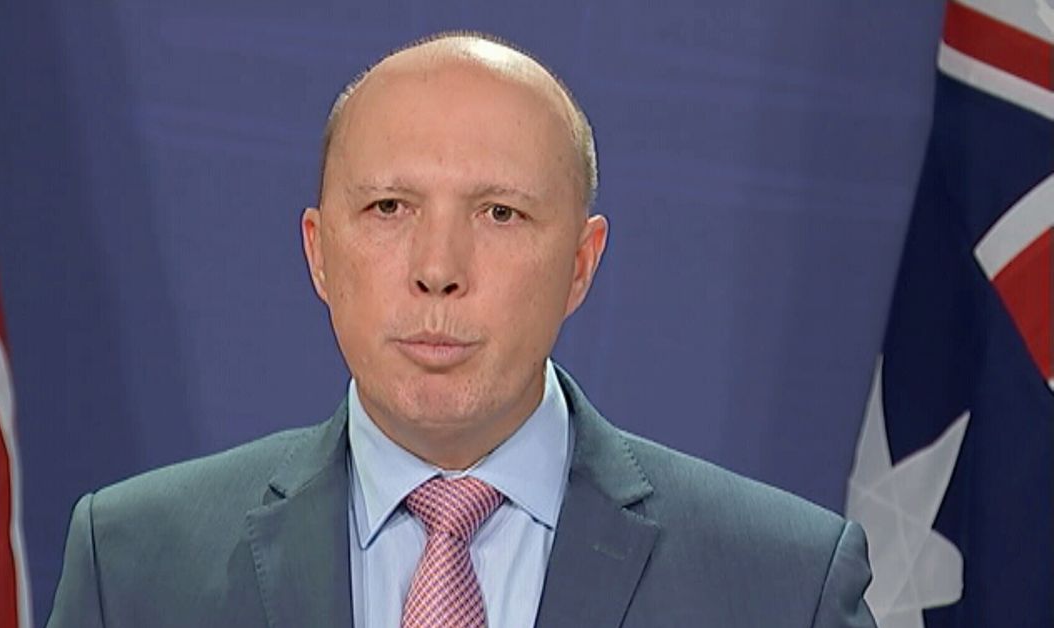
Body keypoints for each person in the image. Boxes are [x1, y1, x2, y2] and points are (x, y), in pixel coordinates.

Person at [47, 32, 875, 628]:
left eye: (500, 213)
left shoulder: (782, 585)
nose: (438, 268)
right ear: (319, 253)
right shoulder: (131, 567)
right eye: (389, 208)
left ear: (581, 264)